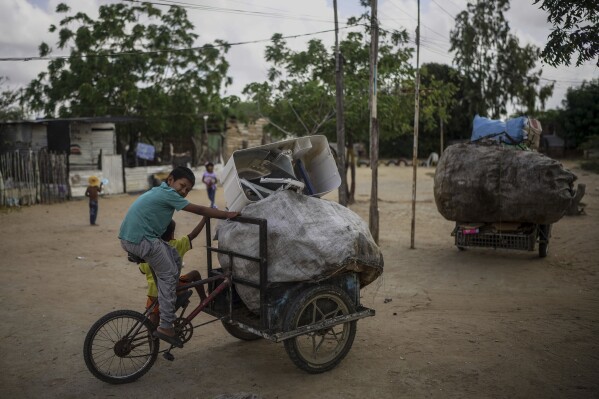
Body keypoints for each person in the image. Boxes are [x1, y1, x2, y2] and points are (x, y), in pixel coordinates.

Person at [119, 166, 239, 348]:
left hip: (136, 237)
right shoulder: (168, 194)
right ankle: (166, 326)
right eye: (182, 186)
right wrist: (226, 214)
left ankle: (173, 290)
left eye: (187, 190)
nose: (183, 191)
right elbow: (199, 210)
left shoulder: (159, 191)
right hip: (141, 239)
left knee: (174, 255)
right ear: (170, 180)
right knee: (167, 275)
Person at [139, 218, 208, 327]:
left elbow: (142, 271)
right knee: (195, 274)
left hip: (153, 294)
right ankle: (204, 299)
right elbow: (192, 235)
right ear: (171, 235)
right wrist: (204, 219)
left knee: (152, 324)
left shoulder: (149, 250)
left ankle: (152, 341)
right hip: (172, 289)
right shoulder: (175, 245)